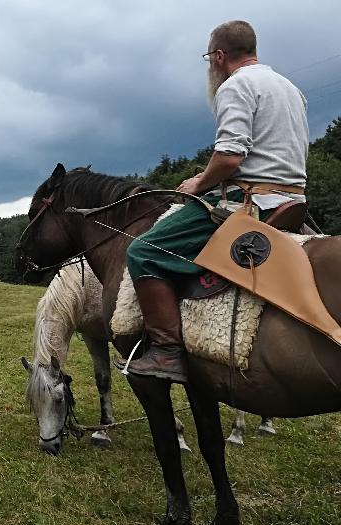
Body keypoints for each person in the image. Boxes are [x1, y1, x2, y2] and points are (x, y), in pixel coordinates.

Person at [123, 20, 308, 383]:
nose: (210, 65)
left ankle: (165, 353)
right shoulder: (290, 88)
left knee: (142, 251)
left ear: (220, 56)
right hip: (295, 197)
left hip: (252, 200)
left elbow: (229, 157)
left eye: (210, 57)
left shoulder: (235, 86)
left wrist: (198, 184)